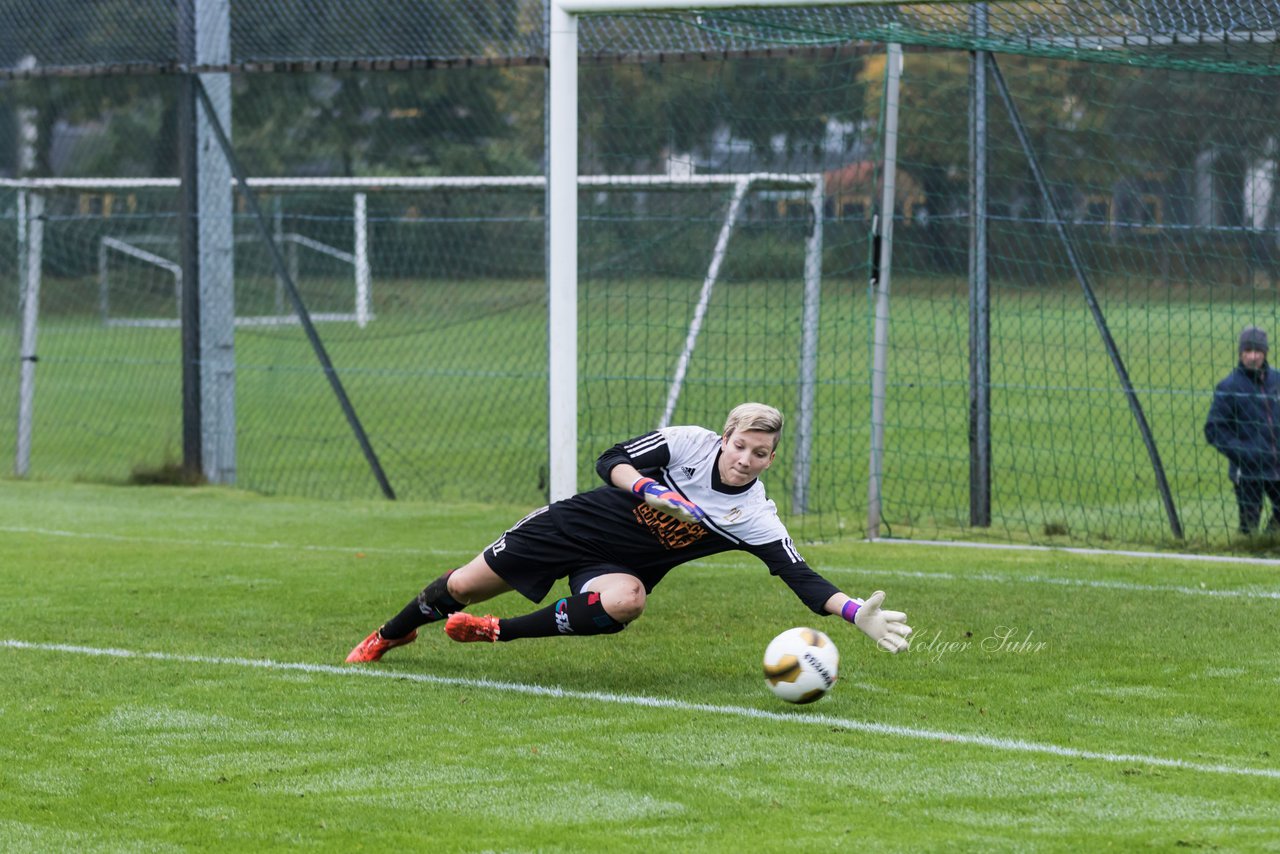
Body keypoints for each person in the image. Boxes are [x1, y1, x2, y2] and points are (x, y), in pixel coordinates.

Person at [346, 402, 912, 663]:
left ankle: (497, 632)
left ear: (770, 458)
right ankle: (391, 633)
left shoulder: (754, 517)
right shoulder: (688, 442)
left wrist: (855, 611)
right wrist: (649, 490)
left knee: (625, 602)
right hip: (572, 527)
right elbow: (611, 459)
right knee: (463, 586)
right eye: (740, 446)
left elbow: (801, 578)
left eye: (760, 453)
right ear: (724, 438)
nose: (746, 459)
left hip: (619, 568)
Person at [1205, 325, 1280, 534]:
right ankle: (1251, 550)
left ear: (1265, 353)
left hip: (1277, 465)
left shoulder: (1278, 380)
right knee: (1249, 526)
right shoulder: (1229, 386)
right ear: (1240, 353)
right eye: (1247, 352)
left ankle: (1270, 540)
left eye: (1257, 351)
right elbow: (1213, 429)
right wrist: (1243, 453)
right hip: (1248, 470)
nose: (1253, 357)